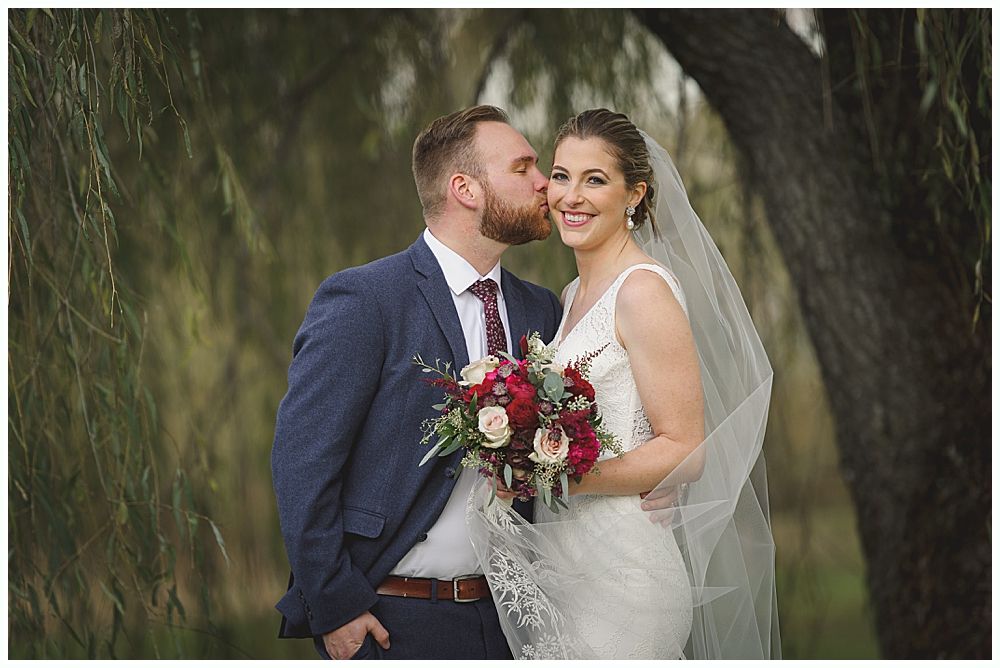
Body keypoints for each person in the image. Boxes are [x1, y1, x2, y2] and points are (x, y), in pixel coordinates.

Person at [467, 109, 779, 659]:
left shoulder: (642, 292)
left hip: (625, 574)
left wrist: (552, 478)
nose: (571, 196)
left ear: (634, 194)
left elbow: (687, 449)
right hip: (566, 566)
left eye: (595, 180)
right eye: (561, 176)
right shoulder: (568, 296)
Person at [270, 105, 562, 659]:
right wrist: (336, 604)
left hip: (513, 624)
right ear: (465, 189)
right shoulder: (366, 301)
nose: (544, 183)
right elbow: (302, 462)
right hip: (394, 619)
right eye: (523, 168)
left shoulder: (540, 310)